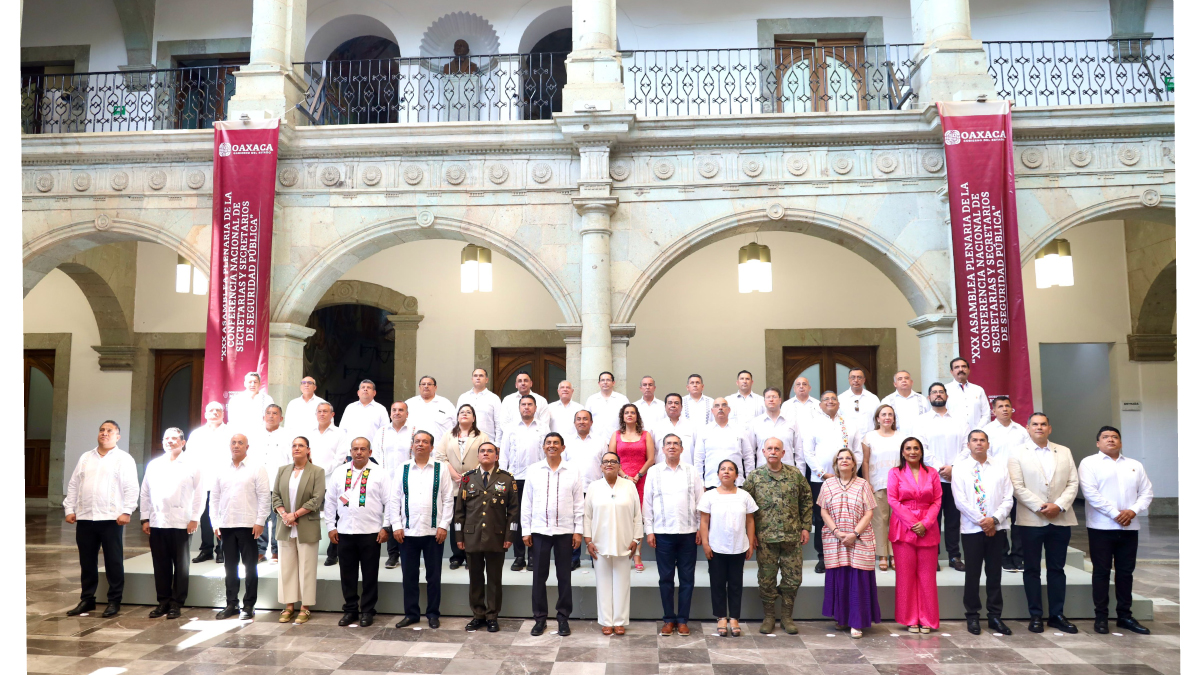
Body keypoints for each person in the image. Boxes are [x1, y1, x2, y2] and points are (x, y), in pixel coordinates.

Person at [1008, 412, 1079, 634]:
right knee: (1031, 569)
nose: (1039, 427)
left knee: (1057, 569)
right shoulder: (1017, 453)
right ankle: (1035, 615)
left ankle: (1057, 614)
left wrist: (1058, 505)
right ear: (1027, 428)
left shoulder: (1064, 451)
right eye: (1035, 424)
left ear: (1050, 428)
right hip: (1031, 519)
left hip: (1060, 517)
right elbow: (1017, 487)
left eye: (1043, 424)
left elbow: (1073, 483)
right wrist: (1041, 506)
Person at [1078, 426, 1153, 635]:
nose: (1110, 439)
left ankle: (1125, 616)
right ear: (1098, 443)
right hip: (1101, 527)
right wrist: (1115, 513)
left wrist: (1132, 511)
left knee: (1126, 573)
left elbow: (1146, 493)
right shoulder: (1089, 463)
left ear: (1120, 442)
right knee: (1101, 572)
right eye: (1105, 437)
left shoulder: (1134, 465)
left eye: (1115, 437)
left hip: (1129, 527)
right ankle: (1101, 617)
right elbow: (1091, 493)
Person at [64, 420, 138, 618]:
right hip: (86, 517)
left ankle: (114, 601)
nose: (104, 433)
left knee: (113, 561)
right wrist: (69, 509)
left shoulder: (124, 459)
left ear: (117, 436)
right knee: (87, 561)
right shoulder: (86, 457)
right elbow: (73, 485)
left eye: (109, 431)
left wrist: (127, 511)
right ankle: (87, 599)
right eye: (102, 430)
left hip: (111, 519)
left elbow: (131, 487)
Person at [742, 437, 812, 635]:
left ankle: (787, 617)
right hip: (765, 539)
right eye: (769, 448)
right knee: (766, 579)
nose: (773, 451)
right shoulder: (754, 477)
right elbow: (746, 508)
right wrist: (751, 534)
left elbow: (806, 500)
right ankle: (769, 616)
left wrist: (805, 527)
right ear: (763, 452)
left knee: (793, 579)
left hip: (792, 537)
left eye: (777, 449)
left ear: (783, 453)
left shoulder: (795, 475)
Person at [388, 431, 455, 628]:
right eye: (417, 441)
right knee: (409, 575)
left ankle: (433, 614)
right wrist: (397, 525)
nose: (420, 445)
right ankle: (411, 614)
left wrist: (444, 526)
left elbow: (448, 499)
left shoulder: (441, 469)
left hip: (434, 532)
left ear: (431, 447)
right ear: (412, 445)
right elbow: (394, 499)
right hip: (407, 532)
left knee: (433, 576)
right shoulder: (403, 468)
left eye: (425, 442)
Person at [521, 433, 585, 636]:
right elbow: (527, 502)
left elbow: (579, 504)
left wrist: (578, 530)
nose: (552, 446)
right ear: (543, 447)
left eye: (556, 443)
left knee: (564, 576)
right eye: (548, 443)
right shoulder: (533, 470)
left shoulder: (573, 471)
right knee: (539, 576)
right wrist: (525, 530)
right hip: (539, 530)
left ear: (563, 448)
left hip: (565, 531)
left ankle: (563, 618)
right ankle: (540, 619)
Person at [952, 430, 1014, 636]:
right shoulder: (960, 469)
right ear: (968, 445)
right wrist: (982, 522)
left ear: (988, 443)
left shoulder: (1000, 466)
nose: (979, 444)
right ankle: (972, 616)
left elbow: (1008, 498)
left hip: (997, 528)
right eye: (974, 440)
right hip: (972, 529)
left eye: (982, 440)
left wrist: (994, 520)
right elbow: (960, 501)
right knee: (973, 574)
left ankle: (995, 616)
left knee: (995, 574)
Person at [643, 433, 705, 636]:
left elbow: (700, 501)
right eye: (668, 444)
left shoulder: (692, 471)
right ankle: (669, 619)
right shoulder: (654, 472)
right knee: (666, 579)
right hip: (663, 533)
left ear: (682, 448)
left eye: (675, 444)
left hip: (688, 533)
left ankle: (683, 620)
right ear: (662, 449)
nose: (672, 447)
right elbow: (648, 503)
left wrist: (699, 528)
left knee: (687, 578)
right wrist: (649, 530)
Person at [454, 441, 519, 632]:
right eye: (482, 451)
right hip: (472, 536)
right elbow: (459, 511)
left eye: (490, 451)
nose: (485, 454)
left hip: (496, 536)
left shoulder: (507, 479)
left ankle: (492, 615)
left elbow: (513, 511)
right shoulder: (467, 479)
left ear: (496, 456)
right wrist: (459, 535)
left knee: (494, 579)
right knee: (475, 578)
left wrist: (510, 535)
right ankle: (478, 614)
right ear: (478, 456)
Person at [139, 427, 204, 619]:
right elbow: (145, 493)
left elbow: (200, 494)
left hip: (182, 522)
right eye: (166, 438)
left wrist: (195, 518)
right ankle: (163, 601)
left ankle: (177, 602)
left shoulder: (193, 464)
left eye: (174, 439)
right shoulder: (154, 464)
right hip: (158, 521)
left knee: (181, 565)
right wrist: (145, 518)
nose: (169, 441)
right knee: (160, 564)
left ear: (183, 443)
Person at [327, 437, 391, 627]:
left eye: (363, 449)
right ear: (350, 451)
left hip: (371, 532)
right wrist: (331, 526)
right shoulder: (340, 472)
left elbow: (390, 502)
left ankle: (368, 611)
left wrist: (386, 527)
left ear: (370, 452)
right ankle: (350, 610)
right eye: (355, 449)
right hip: (345, 532)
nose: (359, 452)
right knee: (347, 574)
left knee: (370, 574)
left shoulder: (380, 473)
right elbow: (330, 501)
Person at [817, 448, 881, 639]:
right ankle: (842, 618)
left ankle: (857, 622)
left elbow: (869, 512)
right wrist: (837, 532)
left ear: (854, 464)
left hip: (859, 538)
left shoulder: (863, 484)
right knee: (841, 576)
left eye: (848, 458)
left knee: (857, 579)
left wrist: (854, 533)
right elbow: (823, 512)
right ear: (835, 464)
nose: (844, 461)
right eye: (840, 458)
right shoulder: (827, 485)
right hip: (834, 539)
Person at [210, 433, 271, 620]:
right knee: (230, 567)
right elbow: (214, 498)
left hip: (248, 526)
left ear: (247, 447)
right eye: (233, 442)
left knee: (250, 567)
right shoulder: (221, 469)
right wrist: (215, 523)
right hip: (227, 525)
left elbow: (264, 497)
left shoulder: (257, 468)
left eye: (240, 443)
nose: (236, 445)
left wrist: (260, 521)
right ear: (230, 446)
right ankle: (231, 604)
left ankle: (249, 605)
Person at [584, 451, 644, 635]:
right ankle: (606, 621)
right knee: (602, 583)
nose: (609, 464)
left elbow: (637, 515)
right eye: (605, 462)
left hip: (625, 543)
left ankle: (619, 621)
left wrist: (636, 539)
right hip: (599, 544)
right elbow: (587, 516)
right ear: (601, 466)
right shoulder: (594, 487)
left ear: (619, 466)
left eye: (613, 462)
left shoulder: (628, 486)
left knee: (622, 583)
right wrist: (588, 541)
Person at [804, 391, 862, 573]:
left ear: (838, 403)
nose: (830, 401)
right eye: (826, 399)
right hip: (821, 479)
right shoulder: (812, 424)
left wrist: (849, 472)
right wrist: (823, 474)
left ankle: (847, 554)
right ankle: (823, 556)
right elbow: (808, 452)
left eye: (833, 399)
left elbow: (857, 452)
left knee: (847, 516)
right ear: (820, 404)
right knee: (822, 518)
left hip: (847, 480)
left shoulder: (849, 424)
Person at [913, 382, 969, 571]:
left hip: (955, 477)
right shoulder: (921, 421)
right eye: (934, 392)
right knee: (932, 520)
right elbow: (921, 448)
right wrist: (939, 467)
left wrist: (953, 467)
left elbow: (966, 447)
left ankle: (954, 556)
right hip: (931, 477)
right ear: (928, 398)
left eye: (941, 392)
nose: (938, 395)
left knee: (953, 520)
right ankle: (932, 556)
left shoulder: (960, 420)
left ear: (946, 396)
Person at [698, 460, 758, 638]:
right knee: (717, 584)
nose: (726, 472)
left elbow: (750, 521)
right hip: (716, 547)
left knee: (735, 584)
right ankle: (721, 617)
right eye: (723, 469)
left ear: (736, 475)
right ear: (717, 474)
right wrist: (706, 544)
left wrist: (750, 541)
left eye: (730, 469)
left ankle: (734, 618)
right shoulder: (709, 496)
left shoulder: (744, 495)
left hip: (738, 547)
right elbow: (704, 521)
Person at [888, 437, 941, 633]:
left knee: (927, 576)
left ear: (921, 451)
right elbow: (893, 500)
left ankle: (927, 619)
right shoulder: (895, 473)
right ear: (902, 452)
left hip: (928, 526)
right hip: (903, 526)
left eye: (916, 448)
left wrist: (925, 523)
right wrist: (913, 523)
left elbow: (937, 500)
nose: (912, 451)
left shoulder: (932, 473)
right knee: (905, 575)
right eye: (908, 448)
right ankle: (910, 618)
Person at [272, 436, 325, 625]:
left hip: (306, 525)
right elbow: (276, 495)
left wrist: (296, 515)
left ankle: (305, 607)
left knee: (307, 568)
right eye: (294, 445)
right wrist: (285, 514)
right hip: (285, 525)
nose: (297, 448)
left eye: (301, 446)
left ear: (308, 450)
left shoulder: (317, 472)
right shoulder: (282, 470)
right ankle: (288, 606)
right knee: (286, 568)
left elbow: (317, 499)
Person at [435, 404, 489, 570]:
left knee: (473, 519)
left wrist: (470, 475)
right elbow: (440, 456)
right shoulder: (448, 436)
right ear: (457, 417)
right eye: (461, 412)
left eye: (468, 412)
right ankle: (457, 556)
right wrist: (453, 473)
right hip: (453, 483)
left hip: (475, 483)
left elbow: (486, 458)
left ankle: (472, 554)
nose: (464, 414)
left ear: (473, 418)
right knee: (456, 520)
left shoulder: (482, 437)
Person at [982, 396, 1032, 572]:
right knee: (999, 520)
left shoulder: (1021, 431)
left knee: (1018, 522)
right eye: (1000, 406)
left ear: (1012, 409)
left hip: (1018, 481)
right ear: (993, 411)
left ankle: (1018, 557)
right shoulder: (986, 431)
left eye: (1007, 406)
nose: (1004, 409)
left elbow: (1028, 455)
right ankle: (1002, 556)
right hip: (996, 482)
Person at [500, 394, 549, 571]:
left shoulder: (543, 427)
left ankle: (533, 556)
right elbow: (504, 454)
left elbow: (547, 453)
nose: (526, 407)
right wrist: (503, 478)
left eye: (530, 404)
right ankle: (519, 556)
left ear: (535, 408)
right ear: (519, 408)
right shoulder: (511, 428)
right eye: (523, 405)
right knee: (517, 518)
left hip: (538, 478)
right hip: (515, 479)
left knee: (535, 516)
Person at [609, 403, 655, 571]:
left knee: (638, 517)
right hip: (621, 480)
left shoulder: (645, 435)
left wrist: (638, 475)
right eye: (626, 412)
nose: (629, 415)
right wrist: (626, 476)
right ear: (622, 416)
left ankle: (637, 554)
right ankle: (621, 552)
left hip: (641, 480)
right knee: (621, 515)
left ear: (637, 416)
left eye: (632, 412)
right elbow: (611, 458)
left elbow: (651, 459)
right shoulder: (616, 435)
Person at [188, 401, 234, 563]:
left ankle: (221, 549)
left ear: (223, 414)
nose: (214, 413)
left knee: (222, 515)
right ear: (205, 414)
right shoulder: (197, 434)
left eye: (218, 410)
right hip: (203, 481)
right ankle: (206, 549)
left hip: (225, 481)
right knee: (206, 516)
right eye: (211, 410)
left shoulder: (231, 432)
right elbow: (190, 458)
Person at [860, 405, 901, 571]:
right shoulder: (869, 437)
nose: (887, 417)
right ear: (877, 418)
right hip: (877, 483)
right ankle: (883, 555)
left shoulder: (901, 437)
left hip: (898, 485)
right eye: (883, 414)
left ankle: (894, 554)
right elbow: (865, 461)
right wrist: (867, 481)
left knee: (895, 521)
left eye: (890, 414)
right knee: (880, 520)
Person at [563, 409, 605, 569]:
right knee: (574, 523)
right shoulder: (566, 442)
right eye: (579, 419)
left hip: (595, 488)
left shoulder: (600, 441)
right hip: (572, 489)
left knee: (596, 523)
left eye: (585, 419)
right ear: (574, 422)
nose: (582, 421)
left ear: (591, 422)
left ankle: (596, 556)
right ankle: (574, 557)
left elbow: (605, 465)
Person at [374, 400, 414, 569]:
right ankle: (392, 555)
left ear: (407, 413)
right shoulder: (382, 432)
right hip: (387, 479)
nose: (397, 413)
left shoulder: (414, 431)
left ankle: (407, 553)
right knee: (390, 516)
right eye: (394, 410)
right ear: (390, 413)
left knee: (406, 515)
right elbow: (376, 454)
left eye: (401, 410)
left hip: (409, 479)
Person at [251, 404, 290, 563]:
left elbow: (291, 460)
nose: (271, 416)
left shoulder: (288, 435)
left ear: (281, 418)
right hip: (258, 483)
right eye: (268, 413)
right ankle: (260, 550)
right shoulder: (254, 435)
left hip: (278, 482)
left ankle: (276, 551)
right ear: (263, 417)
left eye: (275, 413)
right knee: (259, 517)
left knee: (277, 519)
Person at [311, 401, 347, 566]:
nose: (322, 414)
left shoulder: (340, 433)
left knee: (335, 517)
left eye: (325, 411)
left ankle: (333, 553)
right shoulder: (308, 432)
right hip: (310, 482)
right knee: (309, 517)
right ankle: (309, 551)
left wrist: (319, 472)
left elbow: (340, 458)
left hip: (332, 481)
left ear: (332, 414)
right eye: (319, 411)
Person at [694, 397, 755, 489]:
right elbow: (699, 459)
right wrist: (701, 483)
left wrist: (749, 480)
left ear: (729, 410)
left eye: (724, 405)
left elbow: (748, 456)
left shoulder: (740, 430)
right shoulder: (704, 431)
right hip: (711, 482)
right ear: (712, 410)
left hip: (737, 482)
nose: (720, 408)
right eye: (717, 406)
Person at [744, 387, 803, 470]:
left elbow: (799, 450)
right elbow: (749, 452)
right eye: (768, 397)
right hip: (762, 473)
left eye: (774, 397)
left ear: (780, 400)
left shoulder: (791, 422)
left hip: (788, 473)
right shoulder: (755, 423)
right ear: (764, 401)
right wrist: (750, 474)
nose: (771, 400)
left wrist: (801, 474)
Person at [497, 373, 548, 445]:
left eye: (526, 380)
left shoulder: (541, 400)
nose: (523, 383)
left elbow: (544, 424)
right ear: (516, 385)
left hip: (535, 441)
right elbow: (503, 423)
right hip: (513, 441)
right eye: (520, 381)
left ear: (531, 383)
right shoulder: (508, 400)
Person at [406, 375, 456, 443]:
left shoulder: (446, 404)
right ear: (419, 387)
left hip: (440, 448)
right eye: (423, 384)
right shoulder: (409, 403)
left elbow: (456, 425)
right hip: (415, 449)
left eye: (429, 384)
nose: (426, 386)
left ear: (435, 387)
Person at [651, 393, 696, 465]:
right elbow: (652, 452)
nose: (673, 405)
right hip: (662, 470)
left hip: (686, 469)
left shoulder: (692, 426)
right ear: (665, 406)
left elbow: (698, 453)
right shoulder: (656, 427)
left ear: (681, 407)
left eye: (676, 403)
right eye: (670, 403)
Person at [457, 368, 502, 439]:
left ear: (486, 380)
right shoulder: (463, 397)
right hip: (465, 440)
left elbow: (499, 423)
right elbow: (457, 420)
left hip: (487, 441)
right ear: (472, 379)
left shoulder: (494, 398)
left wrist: (498, 443)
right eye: (475, 376)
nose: (478, 378)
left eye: (481, 376)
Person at [341, 379, 390, 445]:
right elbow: (342, 430)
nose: (365, 389)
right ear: (358, 392)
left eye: (368, 388)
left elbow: (385, 432)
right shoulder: (350, 408)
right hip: (351, 451)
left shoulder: (381, 409)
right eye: (363, 387)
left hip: (372, 452)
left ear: (374, 393)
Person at [587, 371, 631, 443]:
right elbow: (587, 420)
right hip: (596, 440)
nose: (605, 382)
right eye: (602, 380)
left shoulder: (622, 399)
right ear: (599, 383)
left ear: (613, 383)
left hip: (618, 440)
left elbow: (628, 419)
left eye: (608, 380)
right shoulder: (591, 399)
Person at [946, 358, 990, 430]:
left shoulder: (978, 390)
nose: (961, 369)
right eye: (957, 367)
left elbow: (986, 414)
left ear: (969, 370)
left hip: (977, 435)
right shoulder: (945, 390)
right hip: (954, 434)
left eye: (964, 366)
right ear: (951, 372)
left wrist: (977, 430)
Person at [839, 368, 881, 434]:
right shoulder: (841, 399)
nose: (856, 380)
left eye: (859, 377)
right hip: (848, 439)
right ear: (849, 379)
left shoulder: (873, 398)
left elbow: (879, 419)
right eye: (853, 377)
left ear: (864, 380)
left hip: (869, 439)